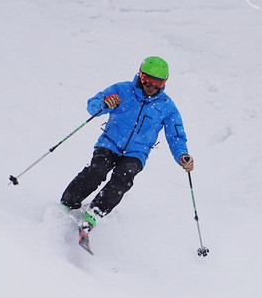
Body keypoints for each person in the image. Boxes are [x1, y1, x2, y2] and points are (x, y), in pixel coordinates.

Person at [60, 56, 194, 247]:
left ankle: (94, 213)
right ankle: (67, 204)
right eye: (147, 80)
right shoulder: (122, 90)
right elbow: (92, 105)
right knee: (97, 170)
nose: (151, 87)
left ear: (164, 83)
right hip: (110, 143)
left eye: (157, 83)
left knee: (124, 177)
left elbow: (176, 136)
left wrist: (182, 155)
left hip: (136, 153)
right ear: (140, 75)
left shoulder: (167, 107)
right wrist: (105, 102)